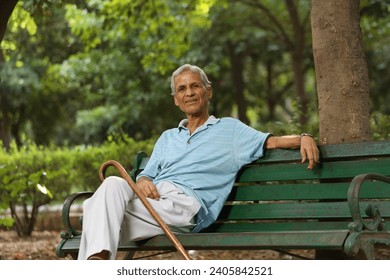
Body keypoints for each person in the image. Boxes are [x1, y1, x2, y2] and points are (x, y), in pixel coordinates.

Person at [78, 64, 320, 260]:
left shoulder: (230, 130)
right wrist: (142, 180)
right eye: (182, 89)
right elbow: (146, 174)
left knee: (94, 211)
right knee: (111, 183)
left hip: (186, 205)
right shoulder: (168, 137)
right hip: (153, 201)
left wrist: (304, 137)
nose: (189, 93)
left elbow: (273, 142)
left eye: (195, 86)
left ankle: (95, 262)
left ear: (208, 92)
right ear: (176, 99)